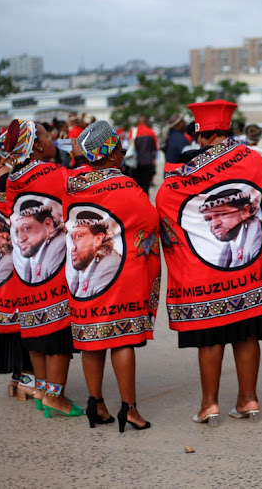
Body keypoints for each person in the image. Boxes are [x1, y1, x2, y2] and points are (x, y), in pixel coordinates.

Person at [156, 99, 262, 427]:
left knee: (210, 339)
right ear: (229, 128)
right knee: (247, 334)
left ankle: (209, 405)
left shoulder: (186, 173)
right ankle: (248, 399)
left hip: (206, 279)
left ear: (200, 134)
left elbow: (164, 202)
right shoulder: (253, 160)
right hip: (250, 274)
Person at [66, 120, 160, 432]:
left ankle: (97, 404)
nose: (121, 155)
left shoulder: (71, 185)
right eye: (119, 149)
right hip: (118, 277)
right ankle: (129, 409)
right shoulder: (125, 186)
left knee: (91, 340)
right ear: (110, 154)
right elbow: (149, 221)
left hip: (82, 281)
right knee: (122, 340)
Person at [4, 119, 82, 418]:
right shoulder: (53, 173)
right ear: (36, 145)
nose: (53, 140)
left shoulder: (15, 177)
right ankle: (56, 397)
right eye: (49, 136)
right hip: (53, 267)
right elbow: (80, 190)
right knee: (59, 335)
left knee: (35, 330)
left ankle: (42, 391)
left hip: (25, 267)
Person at [0, 138, 34, 402]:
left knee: (11, 308)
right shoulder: (13, 177)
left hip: (1, 249)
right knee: (24, 307)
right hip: (17, 250)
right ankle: (27, 377)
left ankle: (17, 379)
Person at [199, 188, 262, 268]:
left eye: (221, 214)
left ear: (245, 211)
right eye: (208, 219)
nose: (214, 224)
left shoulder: (259, 239)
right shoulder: (231, 246)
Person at [13, 198, 67, 284]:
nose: (20, 239)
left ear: (48, 225)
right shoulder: (31, 258)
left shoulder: (58, 246)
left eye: (26, 228)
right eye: (17, 232)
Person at [128, 115, 159, 194]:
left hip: (135, 165)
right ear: (146, 122)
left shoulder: (133, 133)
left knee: (137, 188)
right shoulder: (151, 132)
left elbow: (129, 149)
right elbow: (155, 148)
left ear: (137, 122)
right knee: (146, 187)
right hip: (148, 164)